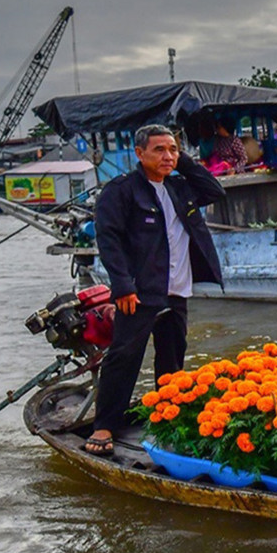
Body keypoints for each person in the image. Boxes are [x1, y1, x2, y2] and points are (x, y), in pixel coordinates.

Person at [86, 124, 226, 456]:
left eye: (173, 150)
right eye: (159, 150)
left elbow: (216, 191)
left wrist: (185, 163)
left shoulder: (179, 186)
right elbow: (109, 240)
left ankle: (167, 416)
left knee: (173, 356)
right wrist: (122, 285)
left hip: (177, 288)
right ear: (139, 153)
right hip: (140, 291)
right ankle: (105, 424)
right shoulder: (121, 191)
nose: (168, 156)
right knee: (124, 357)